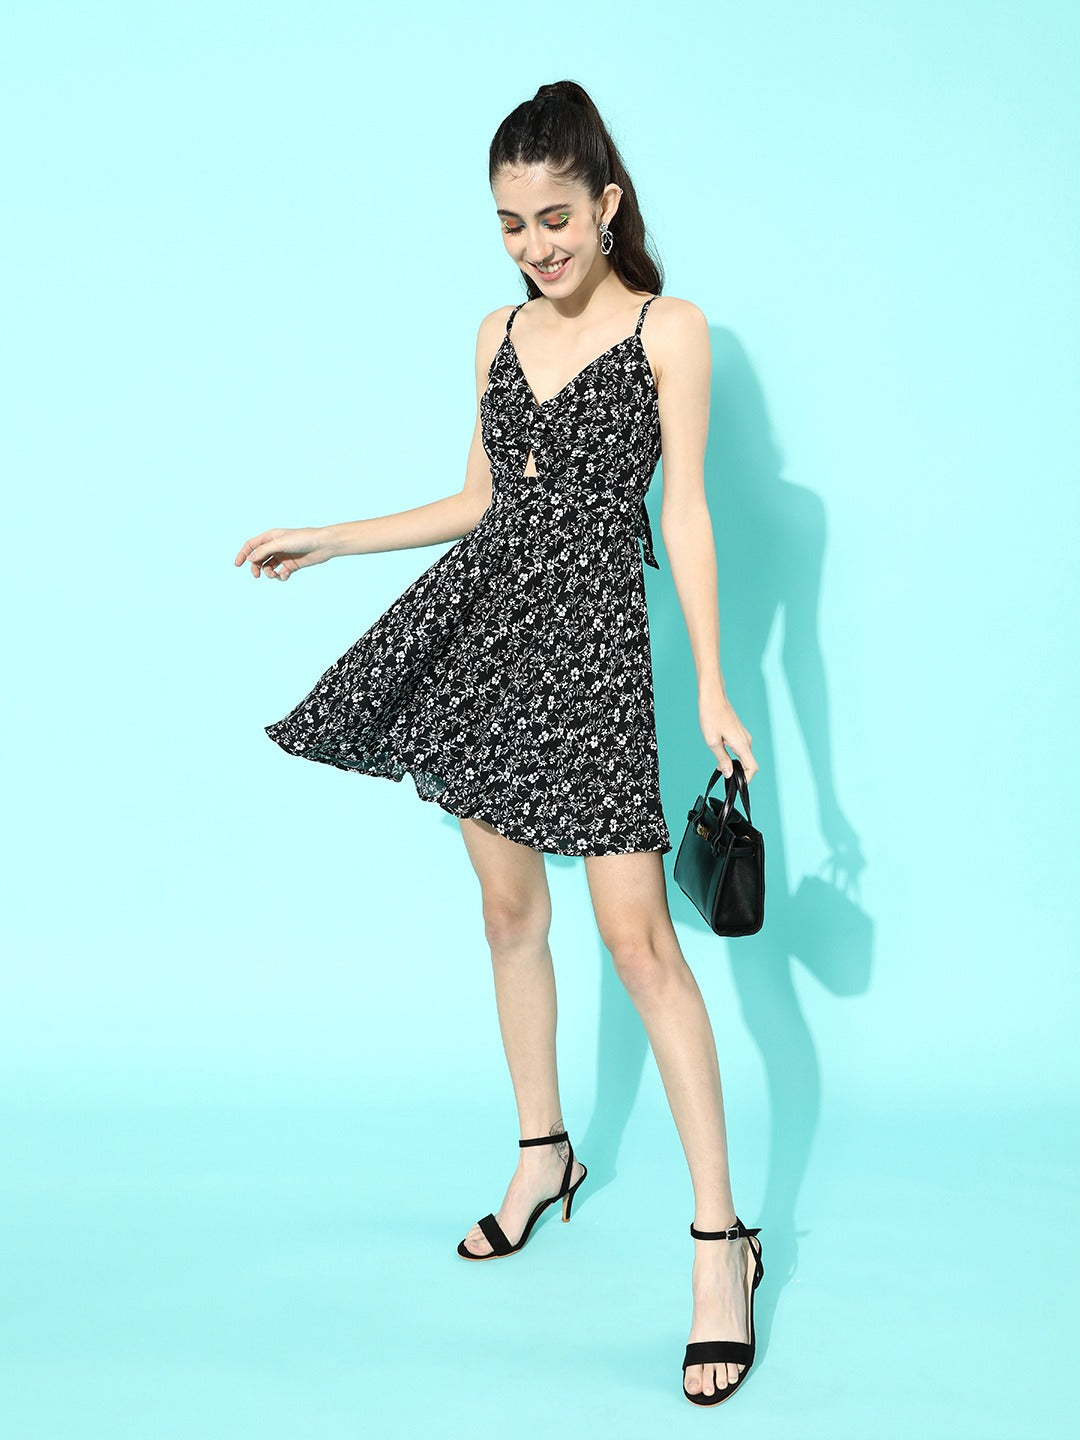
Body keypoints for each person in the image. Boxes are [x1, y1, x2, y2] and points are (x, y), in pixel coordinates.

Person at [234, 79, 764, 1408]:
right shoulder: (496, 333)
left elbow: (685, 516)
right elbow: (480, 500)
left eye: (556, 219)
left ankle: (722, 1245)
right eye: (512, 225)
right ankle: (544, 1154)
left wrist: (712, 683)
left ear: (608, 203)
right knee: (508, 915)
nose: (536, 247)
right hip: (485, 643)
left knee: (640, 944)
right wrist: (334, 537)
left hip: (595, 655)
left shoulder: (670, 331)